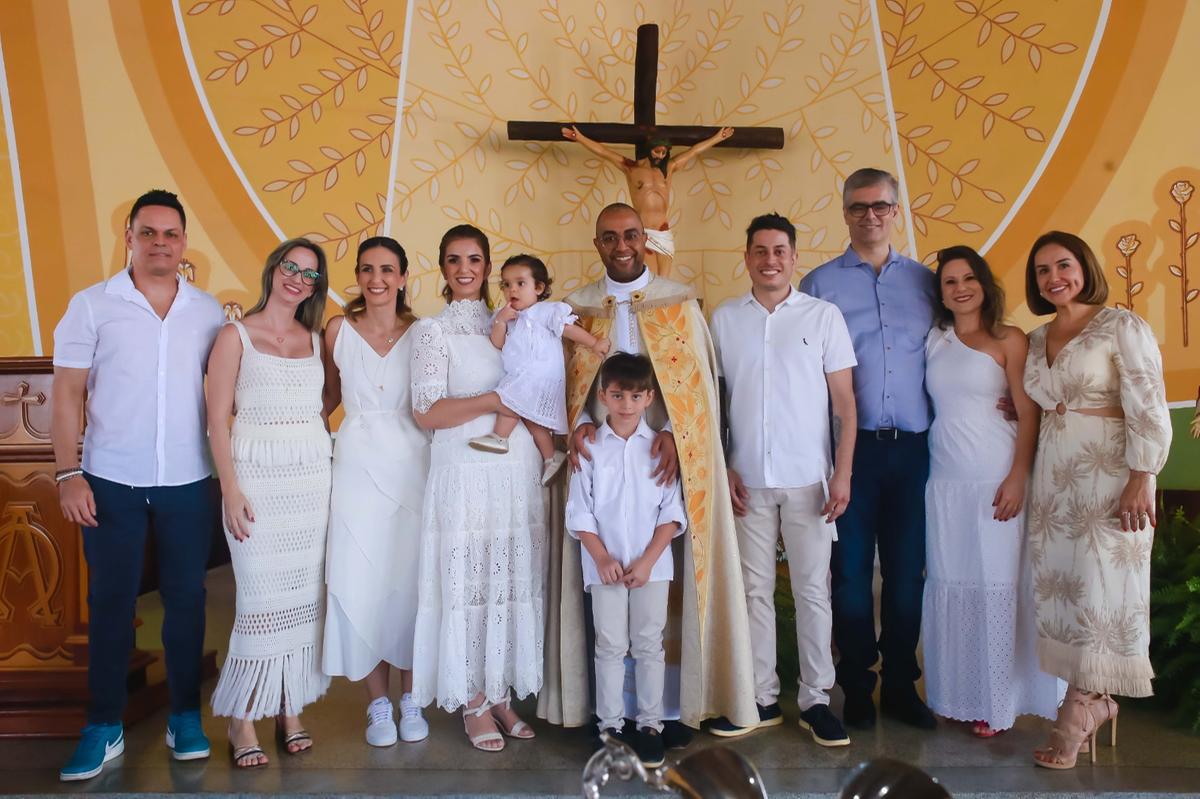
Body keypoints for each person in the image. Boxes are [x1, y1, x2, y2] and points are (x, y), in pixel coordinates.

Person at [538, 202, 758, 736]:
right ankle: (608, 718)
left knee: (657, 610)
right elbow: (561, 384)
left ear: (646, 240)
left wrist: (673, 435)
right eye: (610, 238)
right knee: (611, 622)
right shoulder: (578, 309)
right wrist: (583, 422)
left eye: (631, 235)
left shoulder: (679, 304)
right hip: (602, 460)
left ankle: (667, 713)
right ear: (597, 245)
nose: (622, 246)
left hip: (666, 461)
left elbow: (699, 391)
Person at [51, 189, 224, 781]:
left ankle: (184, 716)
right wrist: (69, 474)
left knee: (186, 601)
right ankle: (103, 726)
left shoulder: (207, 311)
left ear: (183, 242)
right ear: (128, 237)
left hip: (186, 479)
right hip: (110, 479)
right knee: (110, 604)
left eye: (170, 234)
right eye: (147, 232)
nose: (159, 243)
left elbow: (224, 394)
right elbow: (68, 395)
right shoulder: (92, 306)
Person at [1021, 231, 1171, 769]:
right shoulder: (1037, 339)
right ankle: (1091, 700)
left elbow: (1148, 403)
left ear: (1084, 267)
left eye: (1063, 265)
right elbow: (1043, 401)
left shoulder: (1120, 325)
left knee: (1102, 591)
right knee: (1067, 595)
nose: (1054, 277)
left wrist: (1143, 474)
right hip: (1055, 483)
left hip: (1110, 479)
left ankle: (1082, 708)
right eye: (1042, 271)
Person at [708, 213, 857, 746]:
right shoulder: (725, 319)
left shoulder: (823, 317)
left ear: (794, 257)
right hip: (746, 478)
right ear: (746, 257)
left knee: (814, 591)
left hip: (810, 482)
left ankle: (817, 700)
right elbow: (715, 406)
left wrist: (842, 473)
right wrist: (723, 464)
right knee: (754, 592)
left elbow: (845, 404)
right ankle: (762, 696)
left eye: (780, 251)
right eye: (760, 251)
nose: (770, 260)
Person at [799, 168, 937, 730]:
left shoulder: (928, 283)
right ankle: (856, 686)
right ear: (845, 212)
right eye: (858, 207)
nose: (870, 215)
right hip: (847, 456)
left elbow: (957, 352)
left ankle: (902, 686)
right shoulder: (818, 285)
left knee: (907, 575)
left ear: (896, 212)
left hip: (914, 451)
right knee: (850, 575)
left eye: (881, 206)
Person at [409, 224, 545, 752]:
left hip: (513, 468)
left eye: (474, 259)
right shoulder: (431, 331)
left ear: (488, 266)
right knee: (466, 578)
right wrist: (492, 401)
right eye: (453, 260)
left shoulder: (512, 321)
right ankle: (471, 699)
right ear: (442, 268)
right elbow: (426, 412)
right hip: (462, 467)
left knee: (508, 575)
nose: (464, 268)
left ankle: (500, 690)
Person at [921, 245, 1063, 737]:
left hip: (996, 476)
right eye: (949, 282)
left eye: (968, 279)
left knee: (996, 588)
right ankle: (957, 692)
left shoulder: (1009, 338)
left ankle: (996, 702)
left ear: (984, 283)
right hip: (944, 482)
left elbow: (1028, 413)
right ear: (940, 293)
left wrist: (1018, 475)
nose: (959, 288)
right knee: (952, 583)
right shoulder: (934, 340)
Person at [206, 238, 332, 768]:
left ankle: (288, 706)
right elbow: (216, 420)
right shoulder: (235, 334)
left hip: (311, 483)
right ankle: (242, 717)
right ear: (273, 269)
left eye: (308, 274)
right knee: (258, 601)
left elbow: (324, 404)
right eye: (290, 267)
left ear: (315, 286)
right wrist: (230, 489)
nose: (297, 279)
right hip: (255, 480)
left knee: (302, 600)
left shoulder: (317, 338)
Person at [321, 237, 430, 747]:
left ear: (404, 276)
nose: (377, 279)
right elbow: (324, 399)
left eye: (388, 269)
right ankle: (378, 705)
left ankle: (412, 699)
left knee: (409, 580)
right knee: (362, 577)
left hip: (415, 462)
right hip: (357, 464)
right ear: (359, 276)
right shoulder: (337, 330)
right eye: (367, 269)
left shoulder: (425, 333)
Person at [567, 353, 687, 768]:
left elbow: (672, 514)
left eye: (636, 396)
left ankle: (650, 725)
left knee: (649, 644)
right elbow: (579, 512)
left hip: (651, 567)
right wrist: (601, 557)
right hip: (605, 568)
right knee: (610, 645)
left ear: (649, 397)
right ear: (602, 396)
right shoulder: (589, 448)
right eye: (617, 395)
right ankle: (611, 727)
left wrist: (649, 560)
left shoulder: (659, 448)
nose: (626, 404)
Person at [468, 254, 610, 484]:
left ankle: (500, 437)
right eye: (506, 284)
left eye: (520, 283)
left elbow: (568, 330)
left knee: (508, 401)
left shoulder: (546, 312)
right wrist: (501, 322)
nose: (512, 290)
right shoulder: (507, 317)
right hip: (522, 375)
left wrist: (593, 343)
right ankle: (550, 457)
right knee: (532, 419)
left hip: (541, 375)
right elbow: (498, 343)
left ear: (539, 287)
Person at [560, 125, 735, 276]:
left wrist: (718, 137)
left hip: (663, 229)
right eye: (657, 151)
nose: (660, 155)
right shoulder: (631, 168)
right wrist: (580, 138)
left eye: (664, 152)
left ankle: (662, 313)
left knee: (664, 280)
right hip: (644, 231)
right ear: (648, 149)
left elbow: (693, 151)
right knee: (648, 279)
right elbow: (604, 152)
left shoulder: (669, 168)